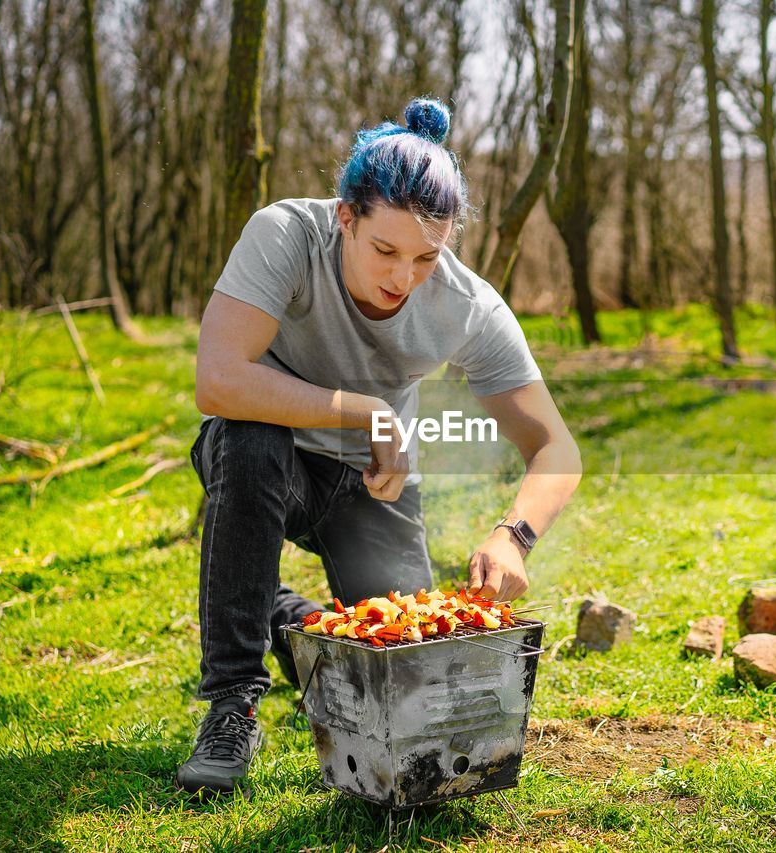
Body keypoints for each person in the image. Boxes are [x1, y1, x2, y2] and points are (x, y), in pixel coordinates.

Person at [174, 97, 581, 798]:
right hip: (266, 460)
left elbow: (556, 447)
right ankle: (233, 703)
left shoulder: (466, 305)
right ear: (345, 217)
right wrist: (365, 411)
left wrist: (514, 534)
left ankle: (291, 621)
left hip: (374, 486)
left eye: (428, 255)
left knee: (406, 671)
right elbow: (218, 378)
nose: (403, 277)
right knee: (249, 436)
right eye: (385, 250)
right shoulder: (285, 235)